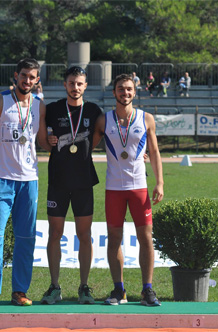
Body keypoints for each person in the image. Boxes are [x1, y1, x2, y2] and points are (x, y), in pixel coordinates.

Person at [0, 58, 49, 310]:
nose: (27, 81)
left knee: (26, 238)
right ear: (16, 76)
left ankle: (19, 291)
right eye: (24, 76)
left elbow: (42, 142)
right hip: (1, 180)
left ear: (37, 80)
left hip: (29, 180)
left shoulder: (40, 106)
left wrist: (63, 141)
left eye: (32, 77)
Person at [93, 73, 164, 307]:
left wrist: (159, 182)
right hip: (113, 188)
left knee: (145, 238)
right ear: (114, 92)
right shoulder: (104, 120)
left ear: (135, 92)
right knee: (114, 239)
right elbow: (86, 146)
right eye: (121, 89)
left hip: (139, 188)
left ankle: (147, 289)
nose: (125, 93)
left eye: (129, 89)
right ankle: (119, 289)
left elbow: (154, 152)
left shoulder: (146, 119)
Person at [40, 66, 102, 305]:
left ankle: (84, 287)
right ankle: (55, 286)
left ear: (85, 86)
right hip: (57, 180)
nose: (75, 87)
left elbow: (101, 134)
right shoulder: (53, 109)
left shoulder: (94, 110)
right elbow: (41, 138)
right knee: (54, 233)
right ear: (65, 85)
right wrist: (49, 140)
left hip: (83, 181)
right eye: (71, 83)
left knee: (84, 235)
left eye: (79, 84)